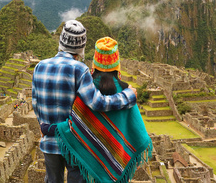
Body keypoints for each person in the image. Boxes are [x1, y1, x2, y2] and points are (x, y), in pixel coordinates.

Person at [32, 21, 138, 183]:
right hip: (74, 144)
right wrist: (128, 96)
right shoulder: (79, 69)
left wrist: (44, 126)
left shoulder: (40, 66)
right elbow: (97, 103)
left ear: (61, 42)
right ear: (81, 48)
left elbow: (35, 103)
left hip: (48, 142)